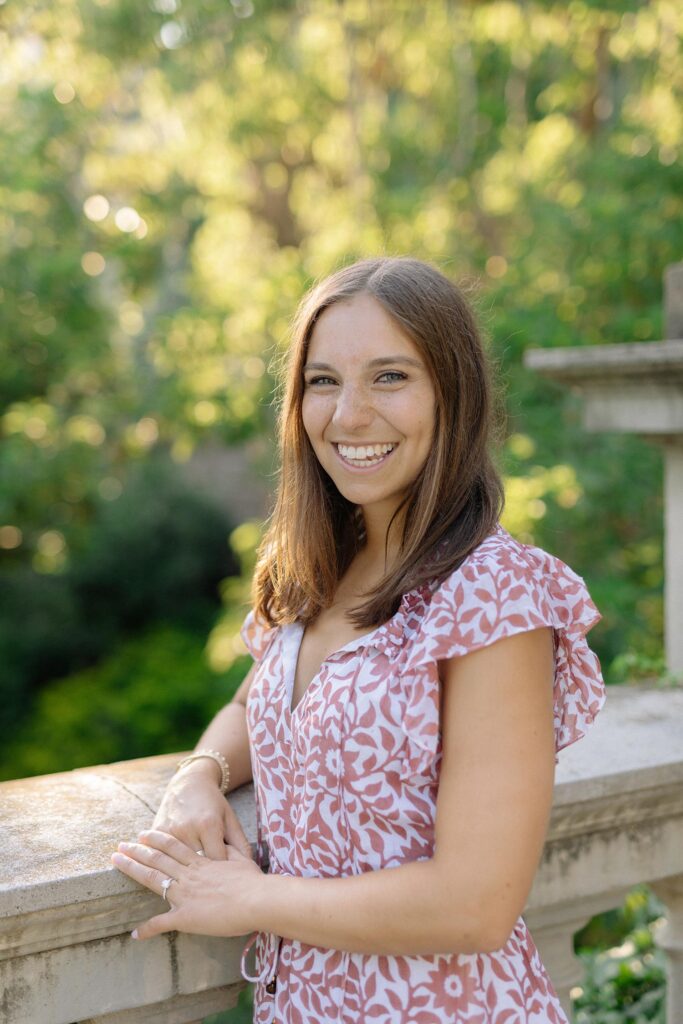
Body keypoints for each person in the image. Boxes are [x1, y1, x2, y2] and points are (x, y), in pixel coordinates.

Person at [112, 256, 605, 1023]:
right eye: (322, 381)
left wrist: (251, 897)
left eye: (389, 378)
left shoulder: (496, 595)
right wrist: (199, 775)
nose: (348, 416)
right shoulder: (317, 566)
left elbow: (475, 905)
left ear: (454, 394)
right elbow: (259, 703)